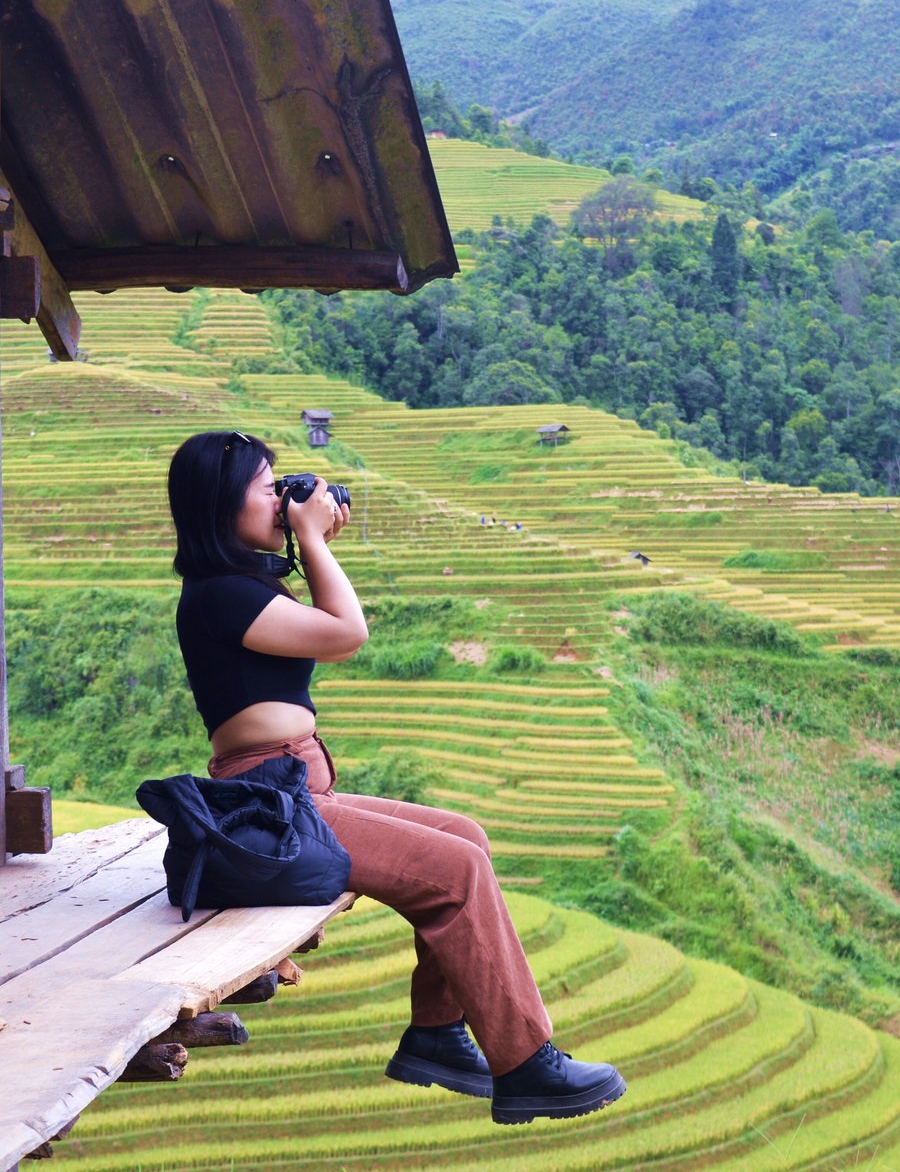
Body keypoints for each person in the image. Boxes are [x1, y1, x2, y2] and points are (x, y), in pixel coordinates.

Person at [166, 431, 626, 1125]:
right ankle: (527, 1062)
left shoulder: (244, 584)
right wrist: (314, 540)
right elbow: (347, 635)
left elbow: (330, 624)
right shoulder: (219, 596)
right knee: (457, 870)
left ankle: (437, 1033)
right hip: (269, 803)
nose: (282, 497)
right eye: (268, 487)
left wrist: (310, 539)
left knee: (465, 835)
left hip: (296, 791)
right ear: (222, 504)